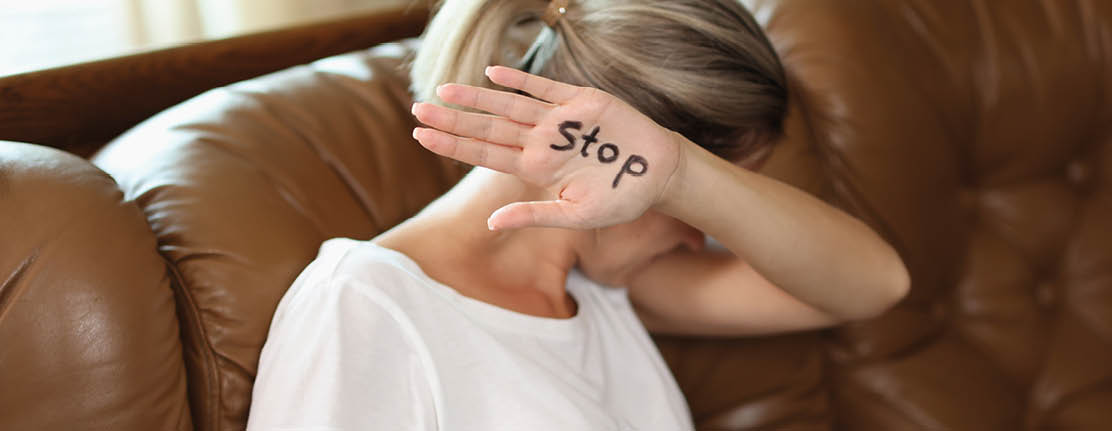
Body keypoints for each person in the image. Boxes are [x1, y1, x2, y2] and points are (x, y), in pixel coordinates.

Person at [247, 0, 910, 430]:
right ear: (592, 158)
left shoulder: (605, 289)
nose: (696, 234)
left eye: (706, 199)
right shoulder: (367, 303)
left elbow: (874, 285)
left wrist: (682, 175)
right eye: (681, 205)